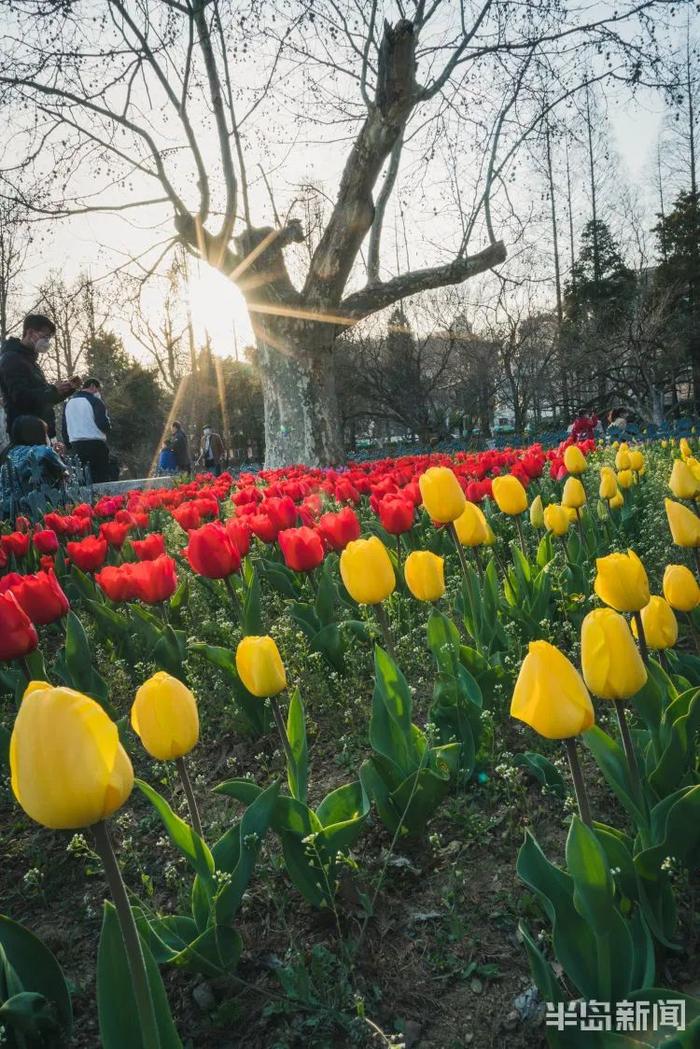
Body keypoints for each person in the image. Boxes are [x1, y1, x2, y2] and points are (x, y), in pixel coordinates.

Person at [0, 314, 81, 439]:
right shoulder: (12, 359)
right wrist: (53, 389)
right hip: (26, 433)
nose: (47, 342)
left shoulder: (31, 362)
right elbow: (21, 397)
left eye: (49, 338)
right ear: (31, 332)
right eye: (45, 336)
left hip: (43, 431)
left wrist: (66, 389)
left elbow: (43, 399)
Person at [0, 414, 68, 512]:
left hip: (9, 511)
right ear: (38, 434)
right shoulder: (44, 451)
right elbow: (65, 474)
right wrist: (59, 456)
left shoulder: (8, 453)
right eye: (46, 433)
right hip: (39, 511)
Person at [62, 377, 112, 483]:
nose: (98, 393)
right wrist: (108, 429)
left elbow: (65, 427)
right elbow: (102, 423)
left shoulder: (68, 403)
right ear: (93, 386)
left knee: (83, 480)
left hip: (76, 446)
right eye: (98, 389)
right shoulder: (95, 401)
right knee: (100, 479)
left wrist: (68, 445)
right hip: (95, 445)